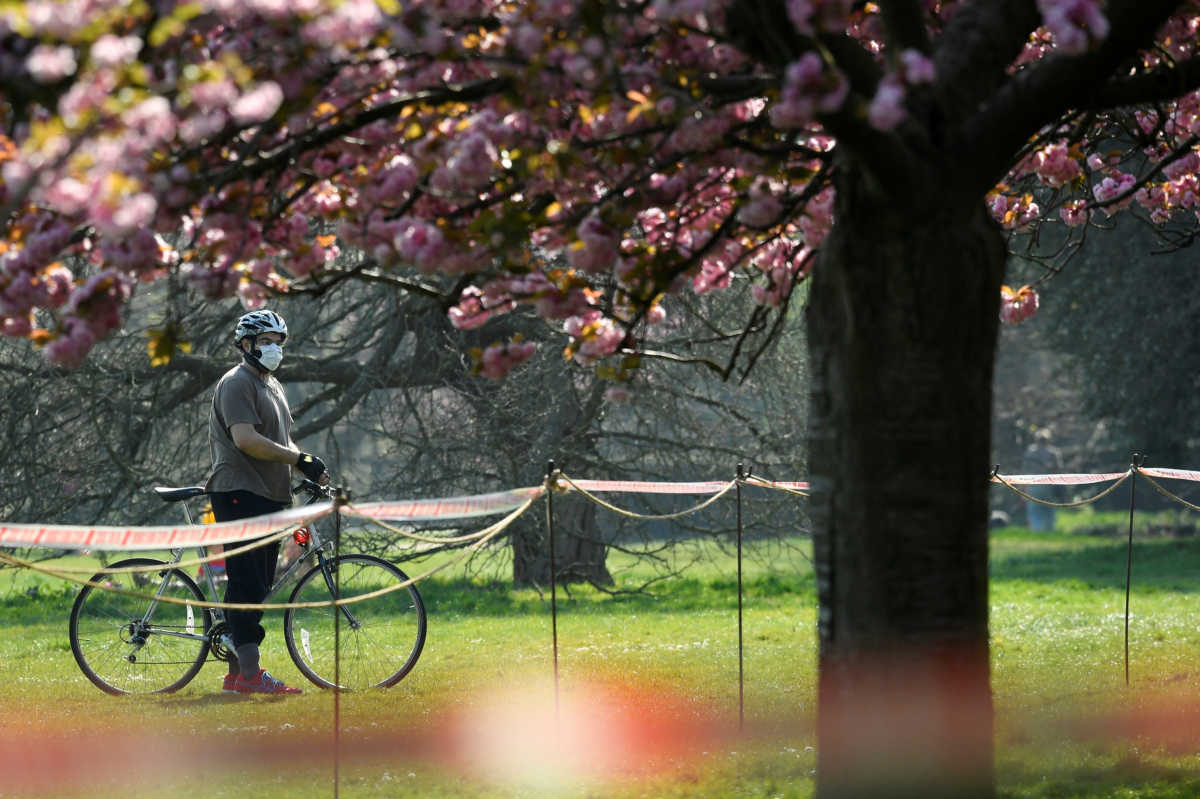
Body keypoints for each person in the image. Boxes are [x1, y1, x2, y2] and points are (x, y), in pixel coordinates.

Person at [205, 309, 328, 695]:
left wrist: (309, 466)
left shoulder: (272, 386)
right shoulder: (236, 383)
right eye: (266, 342)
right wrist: (297, 459)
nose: (274, 349)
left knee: (255, 584)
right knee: (246, 582)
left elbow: (280, 442)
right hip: (240, 491)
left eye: (278, 342)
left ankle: (235, 675)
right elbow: (246, 439)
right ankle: (251, 676)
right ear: (246, 345)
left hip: (269, 494)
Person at [1022, 428, 1063, 532]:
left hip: (1033, 485)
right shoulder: (1054, 453)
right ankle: (1049, 531)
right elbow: (1059, 470)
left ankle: (1037, 531)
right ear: (1048, 440)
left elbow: (1025, 470)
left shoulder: (1030, 452)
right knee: (1049, 509)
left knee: (1034, 509)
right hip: (1049, 485)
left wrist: (1023, 487)